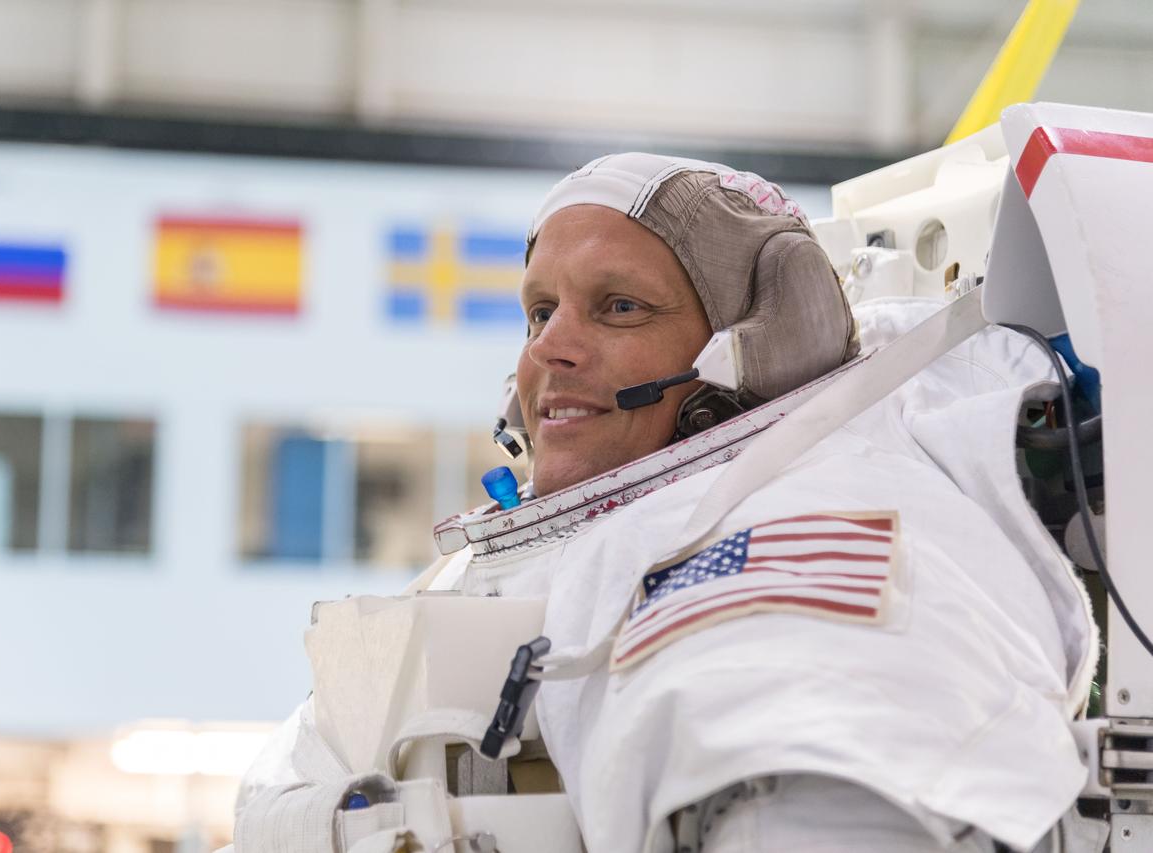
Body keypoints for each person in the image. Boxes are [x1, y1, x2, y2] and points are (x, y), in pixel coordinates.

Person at [232, 154, 1100, 853]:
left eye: (617, 308)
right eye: (539, 312)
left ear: (767, 345)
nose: (550, 352)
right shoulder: (537, 558)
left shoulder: (808, 528)